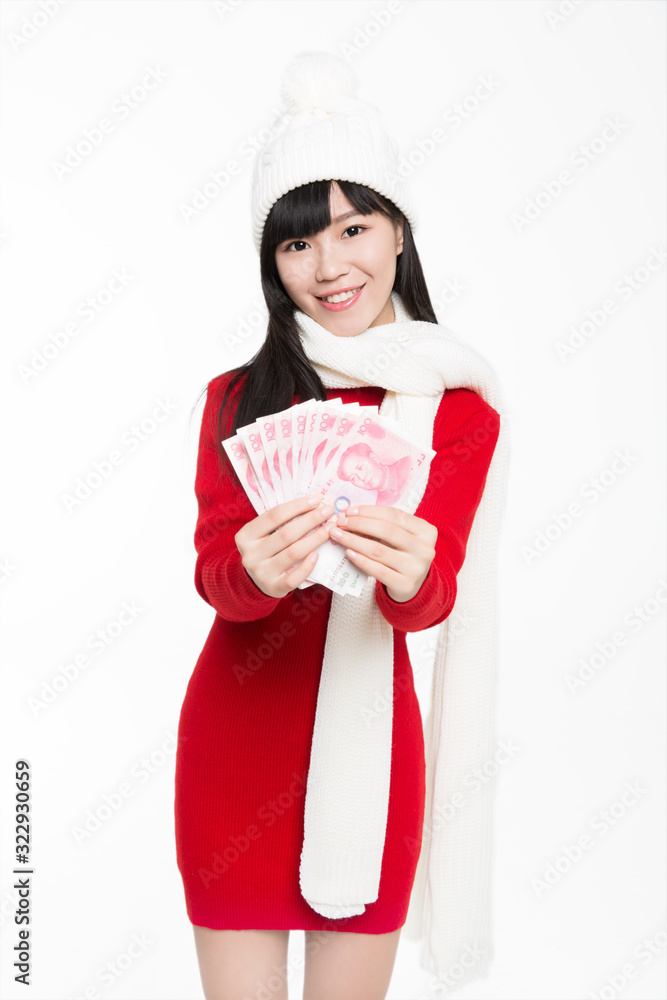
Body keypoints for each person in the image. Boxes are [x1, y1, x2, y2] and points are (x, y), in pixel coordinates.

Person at [174, 51, 506, 1000]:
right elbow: (215, 581)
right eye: (295, 244)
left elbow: (428, 606)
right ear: (270, 262)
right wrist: (250, 568)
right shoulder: (236, 399)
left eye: (353, 227)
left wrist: (411, 575)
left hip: (371, 753)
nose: (329, 266)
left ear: (398, 232)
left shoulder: (458, 410)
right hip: (235, 745)